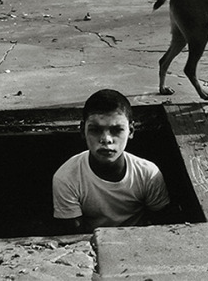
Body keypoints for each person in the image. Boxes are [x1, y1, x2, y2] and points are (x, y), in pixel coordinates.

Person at [52, 89, 174, 233]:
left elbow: (164, 227)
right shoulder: (66, 178)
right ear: (82, 131)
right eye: (95, 130)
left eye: (117, 130)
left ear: (131, 131)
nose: (106, 140)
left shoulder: (148, 173)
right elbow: (73, 237)